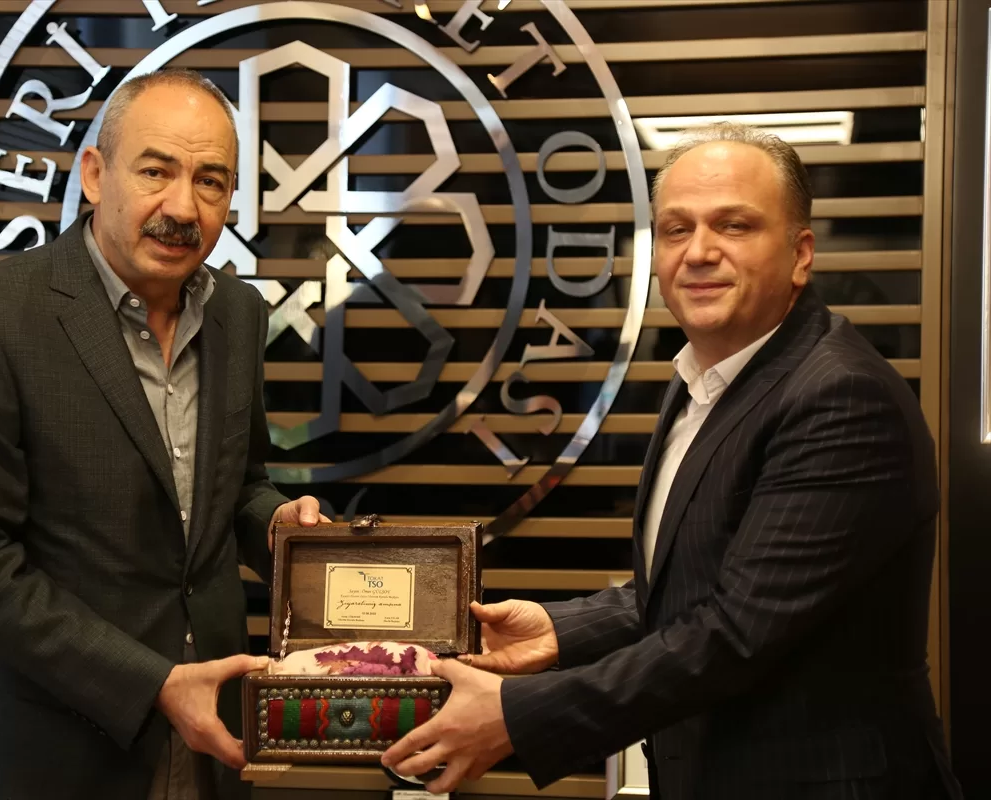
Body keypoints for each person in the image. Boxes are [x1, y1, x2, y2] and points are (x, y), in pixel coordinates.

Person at [382, 123, 964, 800]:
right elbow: (704, 583)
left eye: (734, 226)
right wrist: (562, 631)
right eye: (676, 229)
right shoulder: (702, 378)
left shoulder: (839, 396)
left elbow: (737, 631)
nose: (700, 252)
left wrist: (517, 716)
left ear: (801, 254)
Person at [0, 67, 324, 800]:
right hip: (58, 752)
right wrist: (155, 683)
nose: (183, 207)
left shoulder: (237, 313)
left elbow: (239, 486)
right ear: (96, 175)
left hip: (216, 744)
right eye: (155, 171)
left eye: (210, 181)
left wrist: (279, 529)